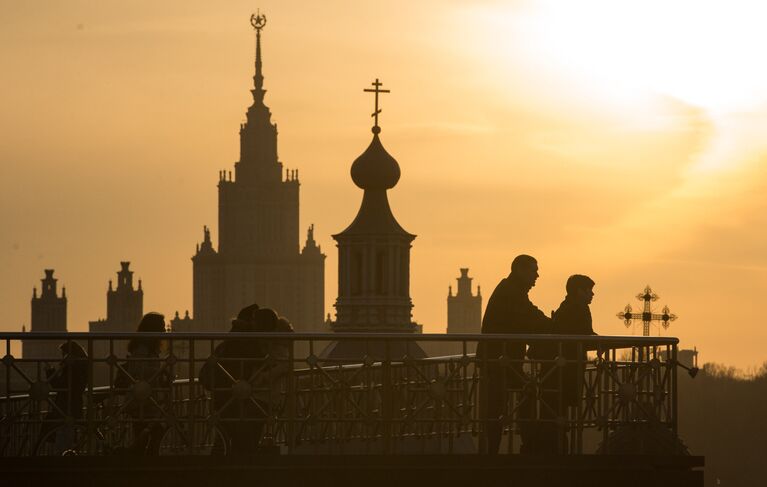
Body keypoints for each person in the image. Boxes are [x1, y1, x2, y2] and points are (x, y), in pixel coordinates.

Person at [478, 254, 551, 455]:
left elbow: (526, 317)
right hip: (499, 361)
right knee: (508, 401)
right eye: (534, 270)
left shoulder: (511, 290)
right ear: (520, 270)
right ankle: (522, 445)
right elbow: (528, 317)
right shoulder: (511, 292)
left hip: (502, 360)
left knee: (508, 401)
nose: (537, 275)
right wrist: (553, 325)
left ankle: (500, 448)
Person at [529, 274, 597, 454]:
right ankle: (555, 451)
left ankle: (550, 449)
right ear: (578, 291)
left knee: (553, 412)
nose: (592, 294)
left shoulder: (567, 307)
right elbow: (584, 336)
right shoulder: (578, 309)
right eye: (589, 290)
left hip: (557, 369)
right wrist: (602, 343)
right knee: (557, 412)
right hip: (564, 370)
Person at [200, 303, 267, 456]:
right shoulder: (246, 338)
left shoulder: (232, 336)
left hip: (224, 391)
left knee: (225, 431)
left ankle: (219, 463)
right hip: (235, 392)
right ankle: (236, 465)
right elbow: (258, 359)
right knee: (238, 432)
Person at [114, 312, 172, 455]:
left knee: (145, 433)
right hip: (142, 400)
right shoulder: (142, 348)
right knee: (154, 430)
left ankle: (142, 460)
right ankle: (145, 461)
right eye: (161, 327)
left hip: (147, 398)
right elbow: (137, 370)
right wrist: (159, 373)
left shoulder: (148, 348)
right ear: (153, 329)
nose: (164, 331)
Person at [39, 341, 89, 447]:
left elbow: (60, 386)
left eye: (64, 354)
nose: (62, 357)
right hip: (74, 405)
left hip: (66, 406)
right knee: (68, 435)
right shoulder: (81, 366)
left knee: (63, 435)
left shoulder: (72, 368)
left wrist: (50, 371)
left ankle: (64, 459)